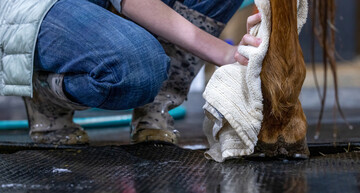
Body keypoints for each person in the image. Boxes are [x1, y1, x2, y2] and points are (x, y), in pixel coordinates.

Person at [0, 0, 261, 145]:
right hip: (41, 7)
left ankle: (155, 108)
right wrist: (224, 53)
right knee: (136, 68)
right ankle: (46, 98)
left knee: (143, 65)